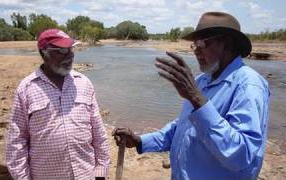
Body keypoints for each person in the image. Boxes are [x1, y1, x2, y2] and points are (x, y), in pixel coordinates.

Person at [113, 12, 270, 180]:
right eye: (194, 45)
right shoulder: (202, 81)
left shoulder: (249, 86)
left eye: (202, 44)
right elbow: (182, 127)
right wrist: (140, 141)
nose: (196, 51)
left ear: (227, 43)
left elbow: (241, 155)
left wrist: (197, 100)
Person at [6, 28, 110, 180]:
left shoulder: (84, 83)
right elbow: (17, 141)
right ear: (44, 53)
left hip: (85, 175)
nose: (70, 55)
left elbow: (98, 133)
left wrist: (101, 171)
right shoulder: (26, 89)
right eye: (61, 51)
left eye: (70, 49)